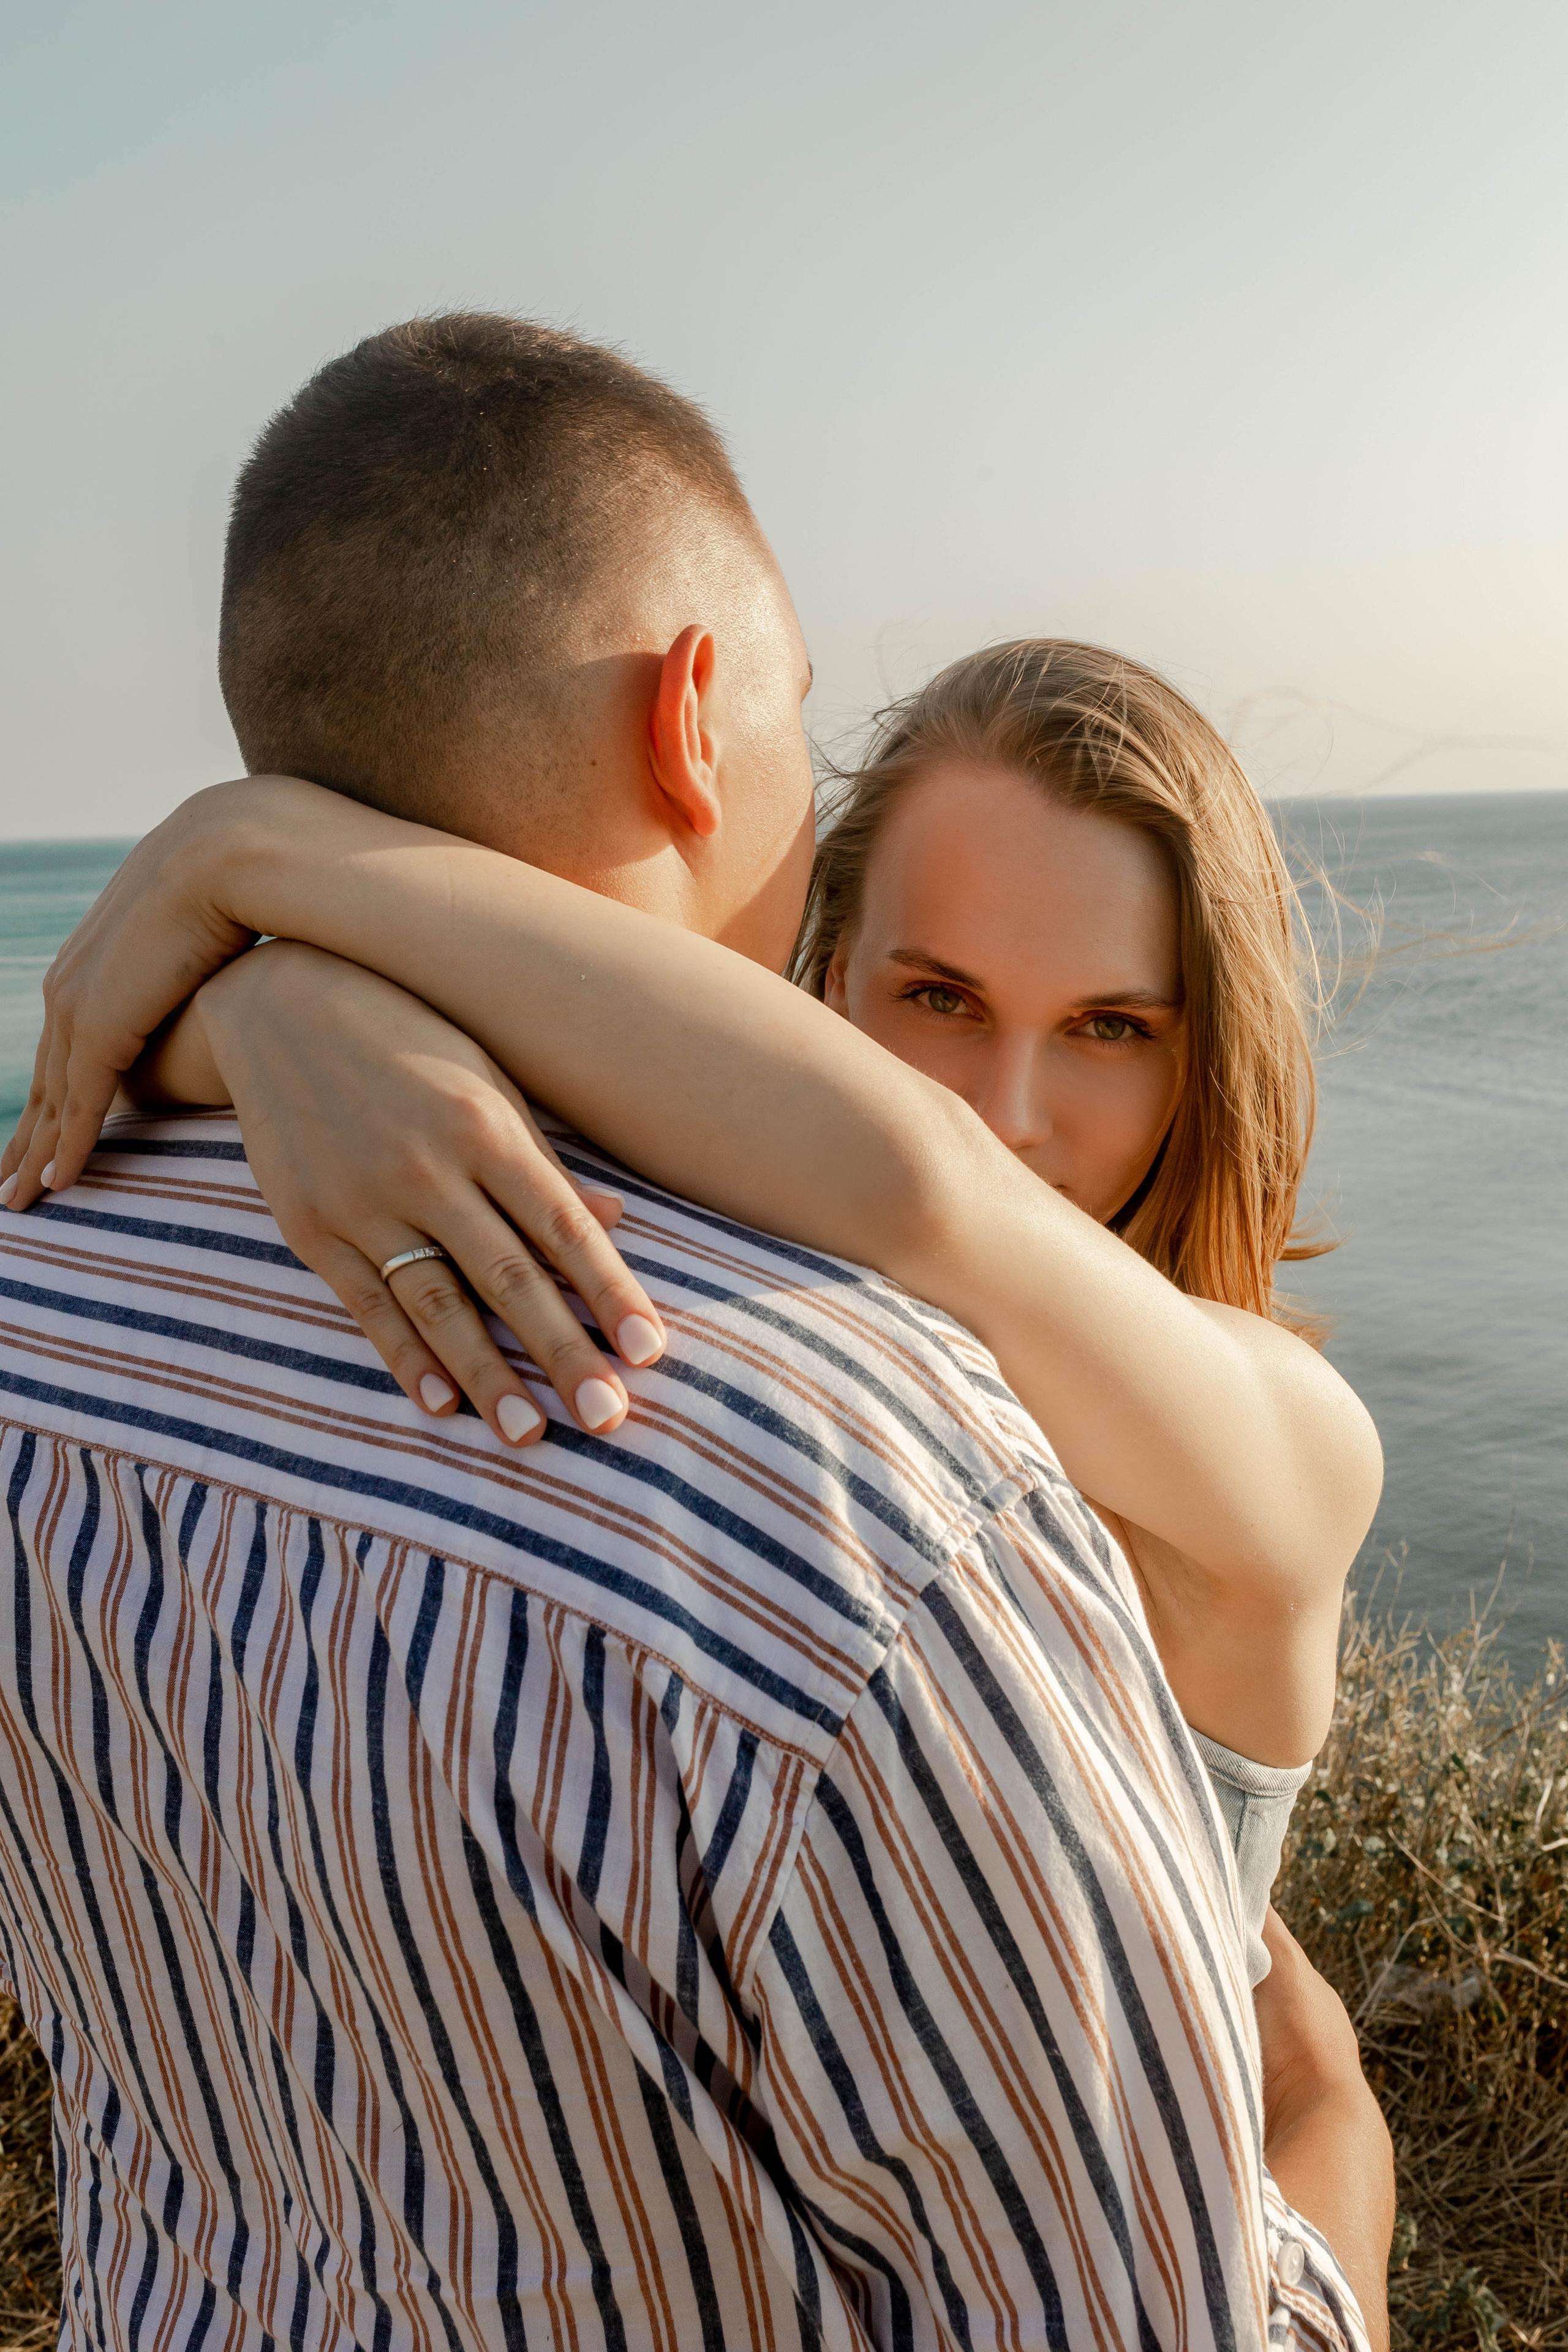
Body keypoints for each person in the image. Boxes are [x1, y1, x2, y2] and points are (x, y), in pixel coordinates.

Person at [0, 313, 1390, 2348]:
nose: (1013, 1104)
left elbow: (934, 1189)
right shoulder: (778, 1322)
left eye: (1112, 1030)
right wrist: (284, 1003)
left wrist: (260, 869)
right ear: (811, 975)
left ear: (1212, 1058)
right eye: (932, 995)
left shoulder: (1280, 1436)